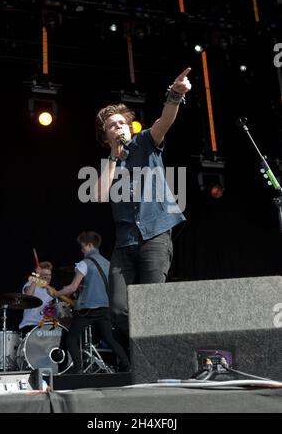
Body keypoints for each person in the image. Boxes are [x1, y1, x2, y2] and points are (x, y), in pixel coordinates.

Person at [94, 68, 192, 341]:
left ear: (130, 126)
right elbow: (100, 195)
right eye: (111, 126)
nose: (118, 127)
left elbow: (164, 121)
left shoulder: (146, 142)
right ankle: (153, 341)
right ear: (106, 137)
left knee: (153, 304)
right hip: (125, 242)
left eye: (121, 123)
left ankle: (159, 348)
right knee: (118, 308)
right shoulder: (110, 165)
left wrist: (175, 95)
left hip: (155, 235)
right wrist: (114, 157)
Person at [52, 230, 130, 374]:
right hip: (105, 307)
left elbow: (72, 287)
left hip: (88, 309)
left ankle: (78, 369)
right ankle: (128, 367)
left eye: (82, 247)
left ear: (89, 245)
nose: (81, 250)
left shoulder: (84, 263)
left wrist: (56, 293)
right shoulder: (108, 263)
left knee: (71, 339)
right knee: (110, 339)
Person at [19, 261, 54, 335]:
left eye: (49, 275)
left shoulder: (50, 290)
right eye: (45, 275)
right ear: (39, 275)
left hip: (44, 327)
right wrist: (36, 277)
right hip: (30, 325)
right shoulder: (30, 284)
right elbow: (28, 296)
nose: (48, 277)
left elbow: (50, 311)